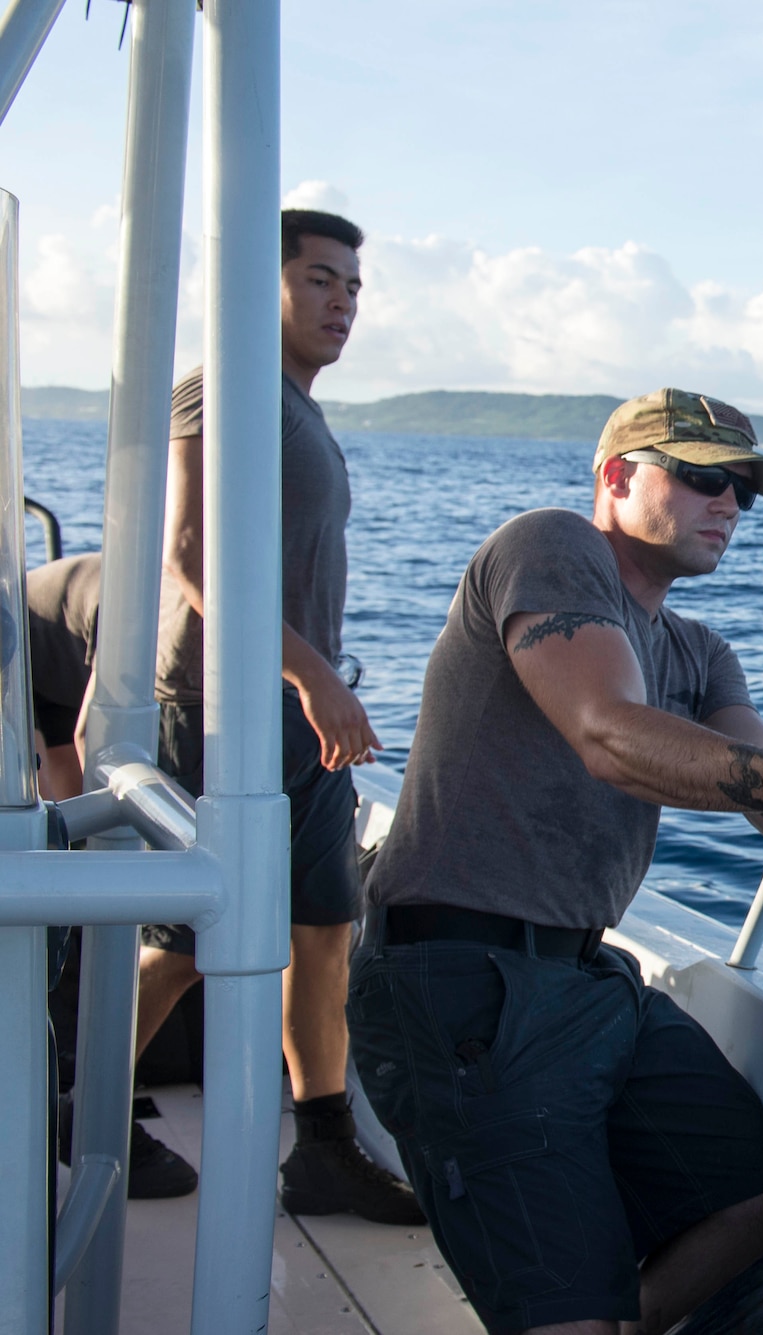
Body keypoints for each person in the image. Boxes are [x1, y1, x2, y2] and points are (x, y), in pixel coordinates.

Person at [351, 388, 763, 1334]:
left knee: (759, 1184)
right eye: (701, 477)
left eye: (743, 492)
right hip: (459, 982)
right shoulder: (550, 546)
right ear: (615, 475)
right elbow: (607, 732)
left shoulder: (699, 650)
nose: (727, 503)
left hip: (587, 978)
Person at [139, 208, 422, 1225]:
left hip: (299, 715)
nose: (341, 301)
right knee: (184, 937)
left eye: (352, 285)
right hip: (225, 709)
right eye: (318, 279)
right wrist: (312, 678)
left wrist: (313, 687)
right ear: (260, 287)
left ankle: (325, 1150)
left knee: (324, 929)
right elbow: (190, 560)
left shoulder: (298, 405)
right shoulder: (224, 386)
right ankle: (77, 1102)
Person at [26, 550, 200, 1199]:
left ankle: (79, 1063)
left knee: (85, 848)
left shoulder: (153, 605)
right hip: (33, 652)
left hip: (63, 651)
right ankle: (86, 1090)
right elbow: (96, 744)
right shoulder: (144, 610)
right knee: (75, 838)